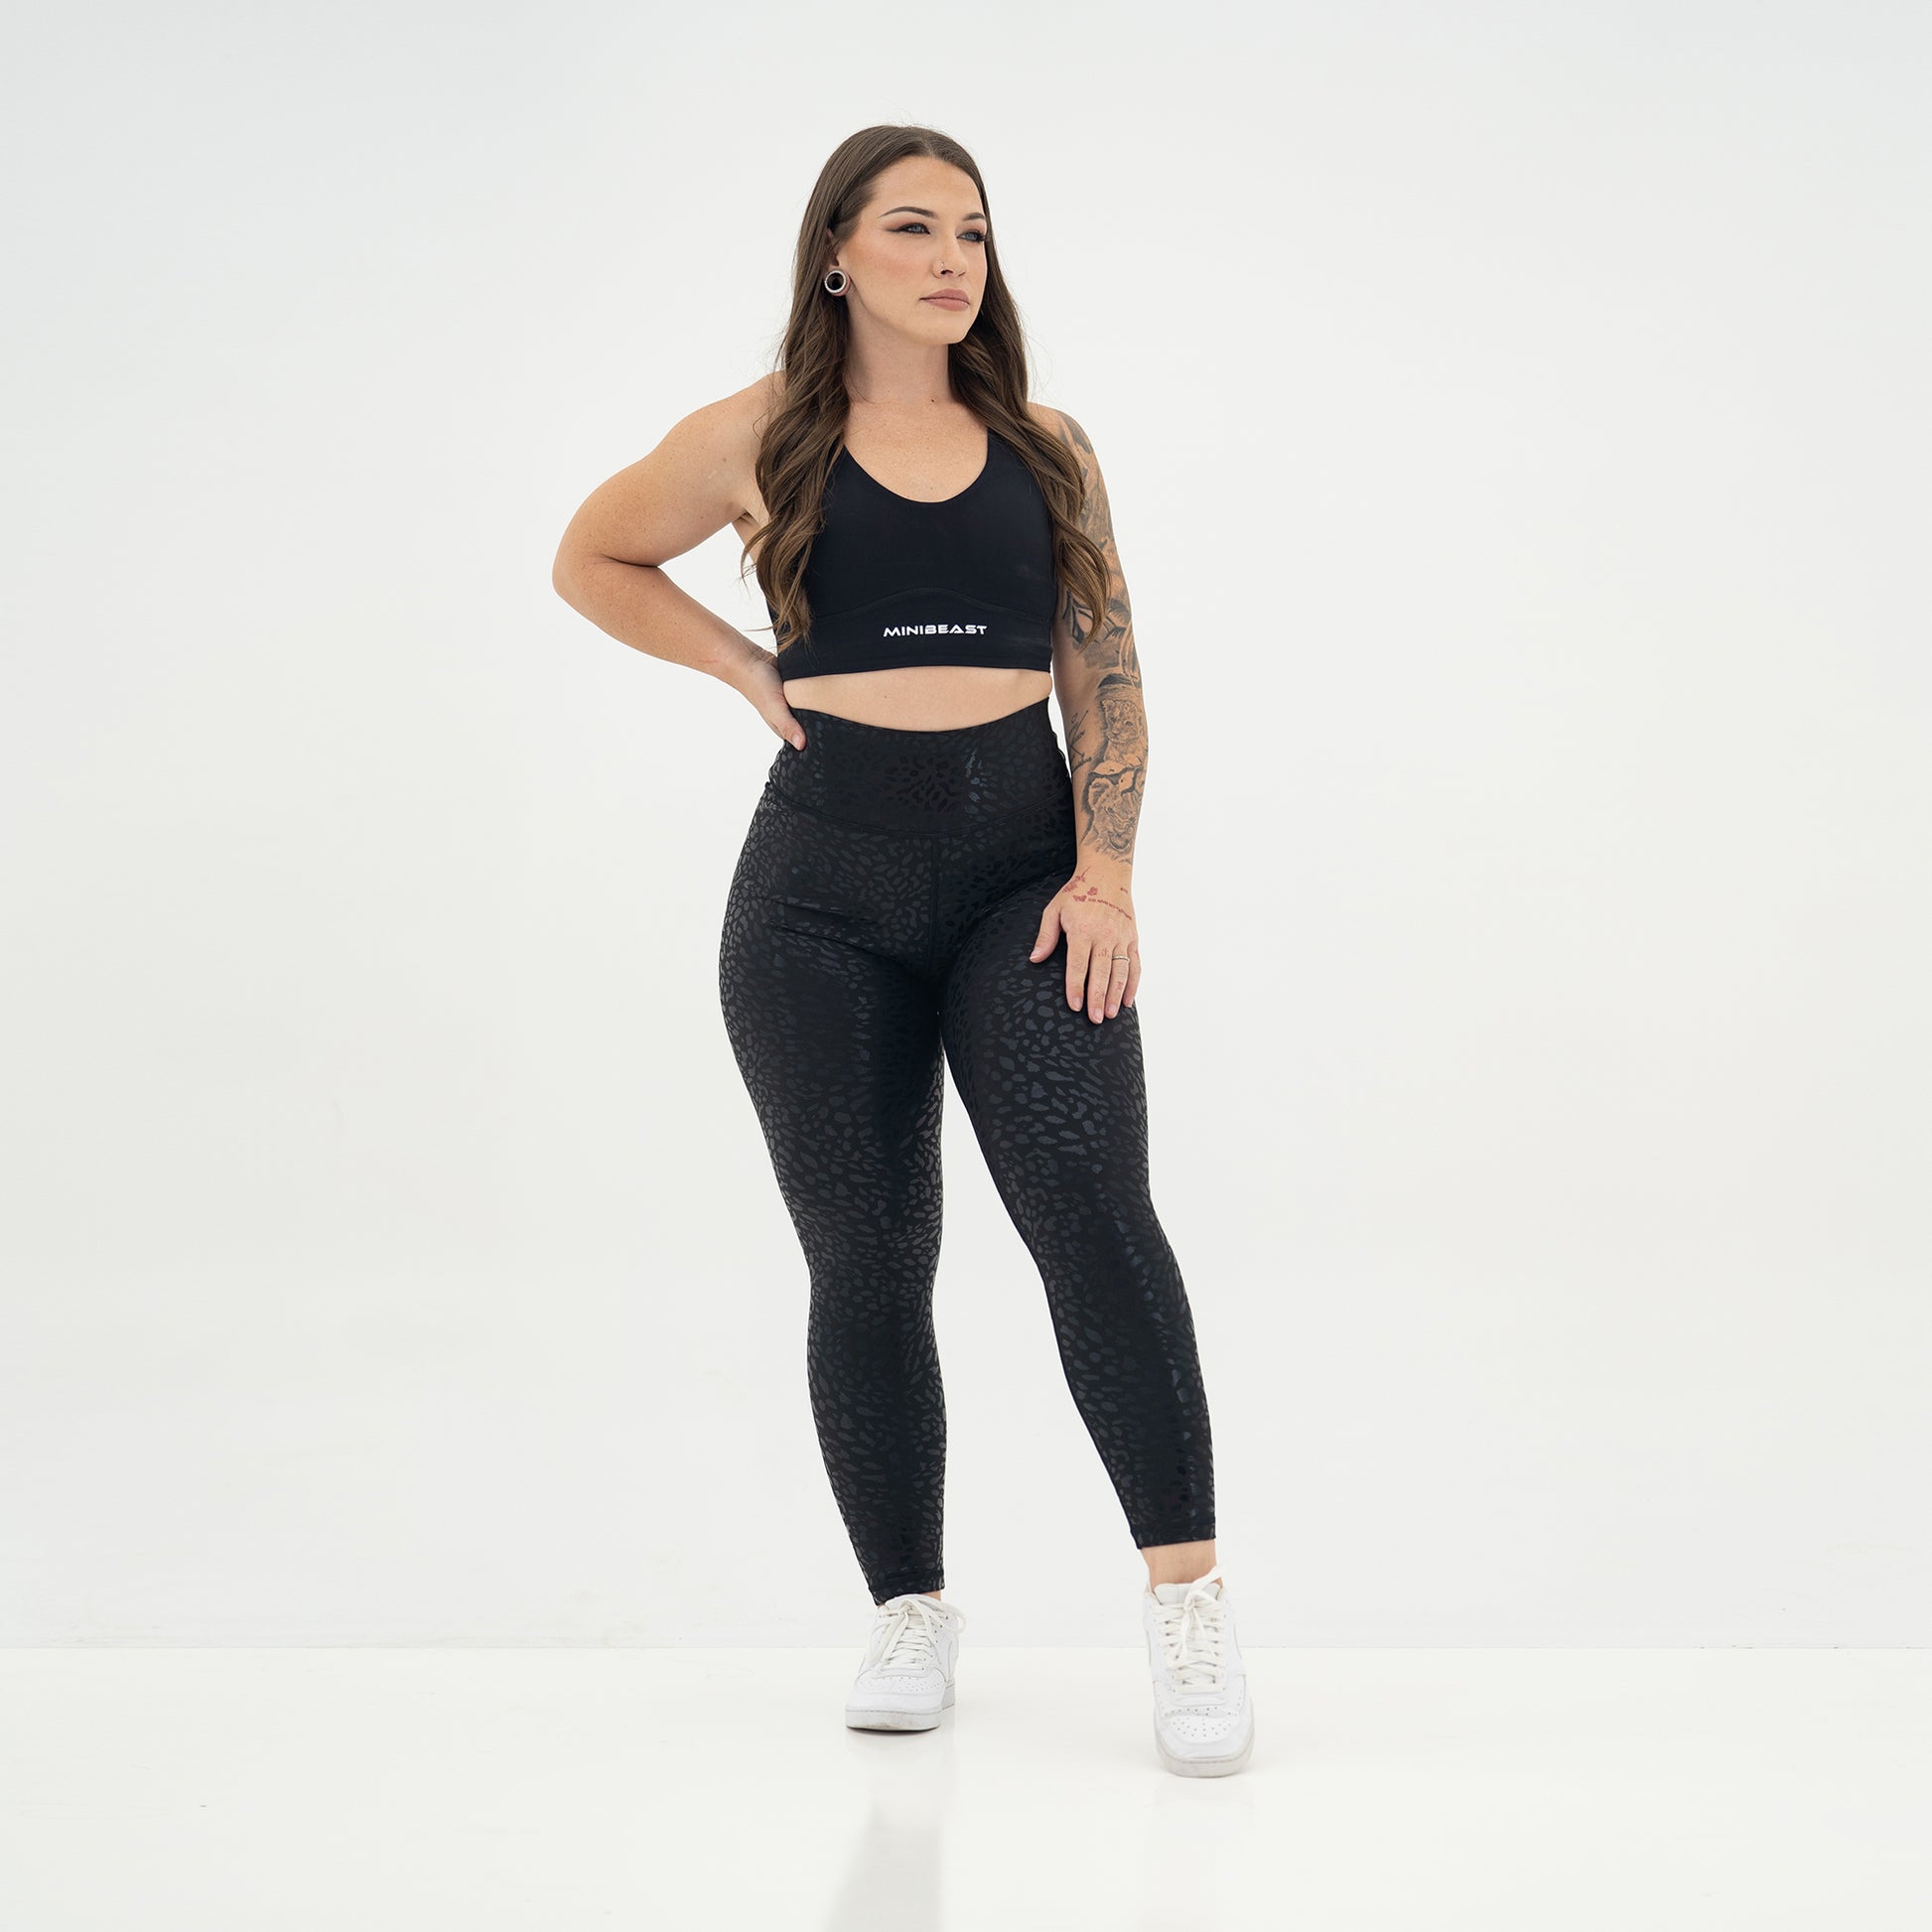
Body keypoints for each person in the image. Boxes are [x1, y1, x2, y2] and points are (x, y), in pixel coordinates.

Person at [552, 124, 1253, 1777]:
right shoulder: (754, 436)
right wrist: (742, 665)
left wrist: (1104, 871)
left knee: (1091, 1217)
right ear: (835, 256)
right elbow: (590, 555)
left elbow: (1106, 669)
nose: (952, 261)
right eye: (914, 228)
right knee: (866, 1255)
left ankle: (1189, 1604)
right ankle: (909, 1605)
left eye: (974, 233)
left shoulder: (1046, 447)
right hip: (815, 896)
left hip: (1024, 877)